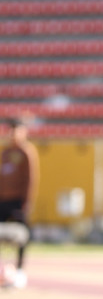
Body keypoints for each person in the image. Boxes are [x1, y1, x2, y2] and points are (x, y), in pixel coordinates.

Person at [0, 112, 39, 289]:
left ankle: (20, 271)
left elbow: (31, 178)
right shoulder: (6, 152)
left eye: (16, 130)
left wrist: (26, 202)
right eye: (11, 130)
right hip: (3, 200)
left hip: (18, 201)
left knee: (22, 237)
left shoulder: (27, 152)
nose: (13, 134)